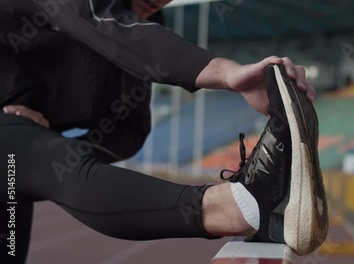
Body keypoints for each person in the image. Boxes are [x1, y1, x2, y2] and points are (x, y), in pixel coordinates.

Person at [0, 0, 328, 262]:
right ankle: (231, 206)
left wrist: (63, 159)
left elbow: (129, 129)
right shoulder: (108, 19)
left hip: (17, 155)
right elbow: (95, 19)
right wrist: (228, 74)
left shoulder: (145, 27)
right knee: (31, 150)